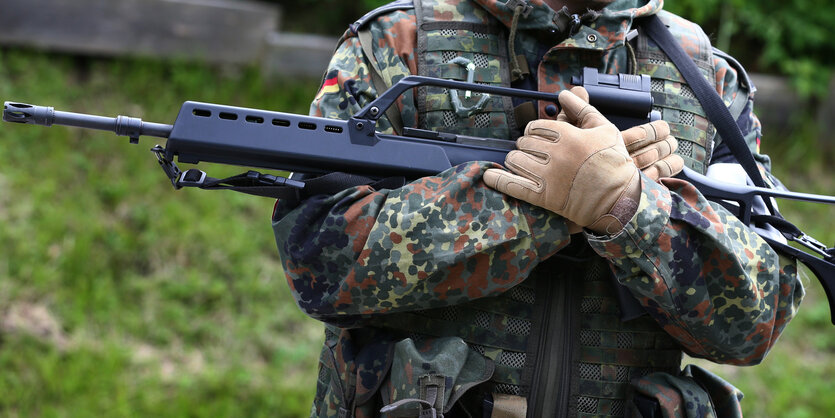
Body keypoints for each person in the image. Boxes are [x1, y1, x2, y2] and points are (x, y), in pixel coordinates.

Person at [272, 0, 805, 416]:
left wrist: (630, 208)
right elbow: (319, 260)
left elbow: (760, 317)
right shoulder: (398, 40)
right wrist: (542, 205)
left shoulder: (704, 76)